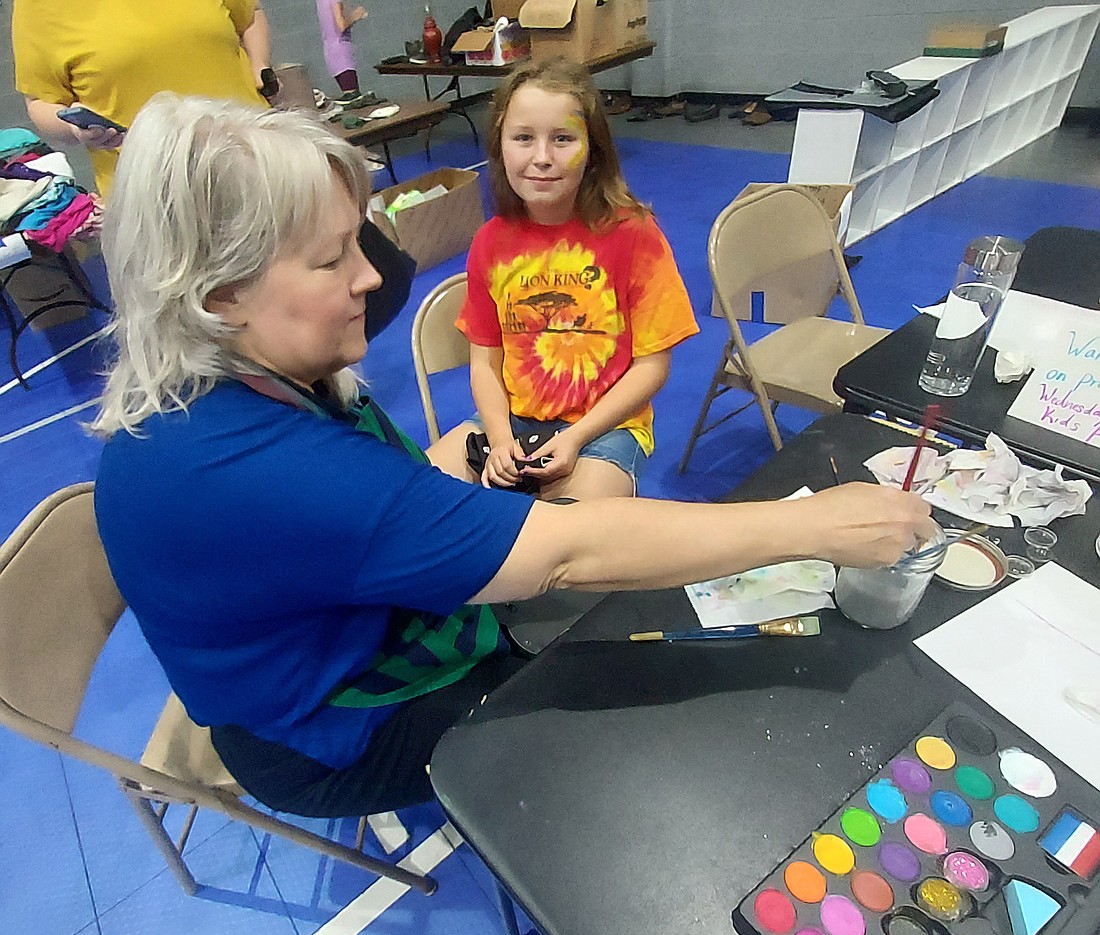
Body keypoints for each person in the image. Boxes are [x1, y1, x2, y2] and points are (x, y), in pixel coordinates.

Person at [91, 94, 933, 821]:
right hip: (327, 734)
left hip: (309, 634)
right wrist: (815, 526)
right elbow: (566, 554)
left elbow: (368, 285)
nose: (369, 280)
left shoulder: (197, 370)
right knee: (613, 703)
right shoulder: (269, 473)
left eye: (356, 242)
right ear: (219, 296)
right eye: (329, 258)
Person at [452, 59, 698, 501]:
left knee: (566, 542)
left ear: (593, 150)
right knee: (417, 504)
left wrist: (576, 436)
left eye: (563, 139)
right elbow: (483, 363)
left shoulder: (634, 236)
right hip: (512, 421)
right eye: (523, 138)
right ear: (500, 147)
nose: (542, 157)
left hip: (606, 426)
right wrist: (500, 436)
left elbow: (652, 366)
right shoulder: (490, 242)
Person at [11, 0, 270, 193]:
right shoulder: (39, 7)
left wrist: (260, 66)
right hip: (150, 193)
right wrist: (73, 128)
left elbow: (249, 17)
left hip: (257, 160)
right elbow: (40, 101)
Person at [316, 2, 372, 104]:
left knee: (350, 95)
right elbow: (341, 26)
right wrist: (355, 15)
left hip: (332, 53)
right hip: (342, 56)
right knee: (354, 98)